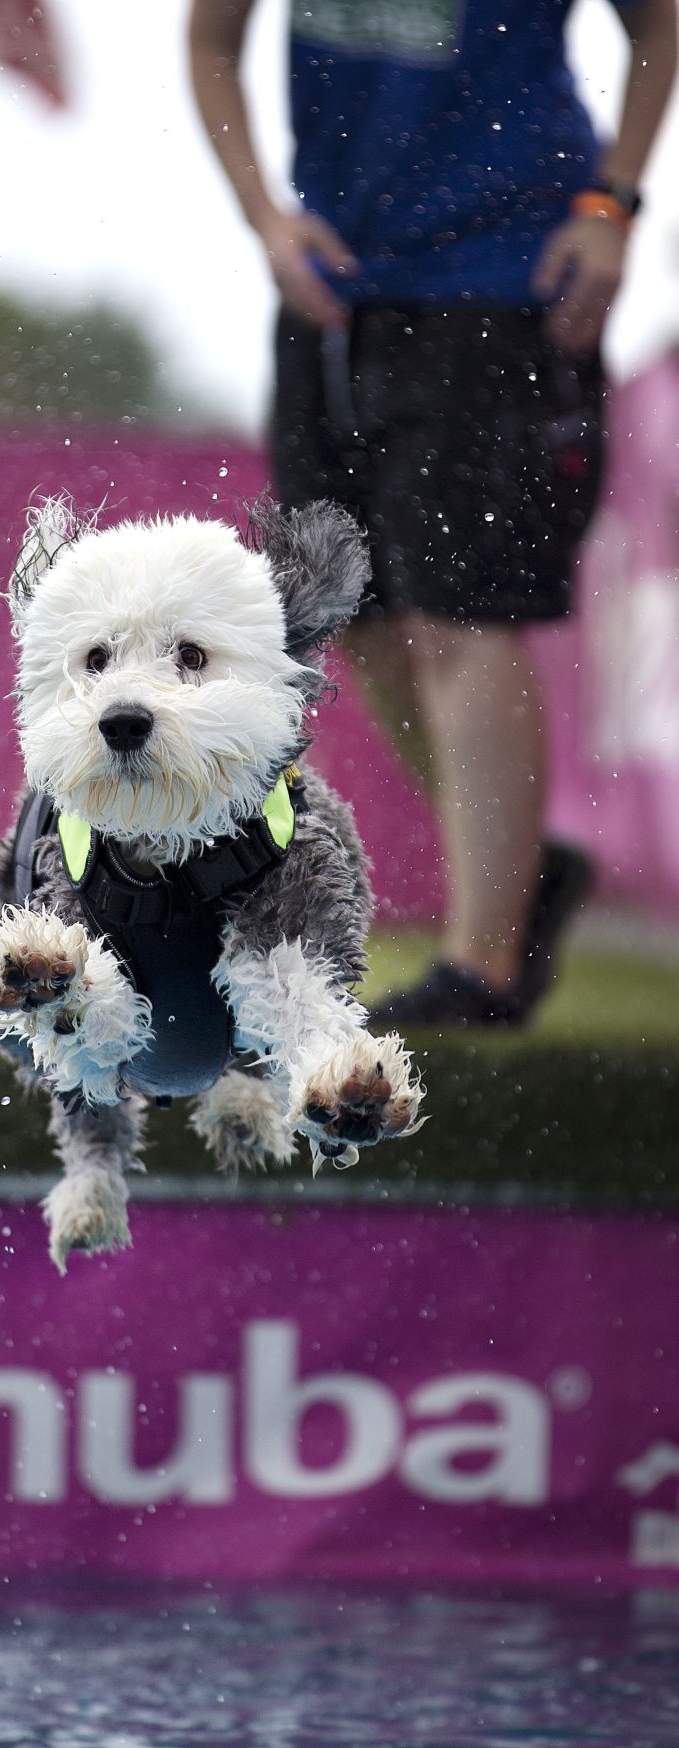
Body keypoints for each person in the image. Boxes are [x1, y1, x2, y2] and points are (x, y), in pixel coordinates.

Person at [188, 0, 677, 1026]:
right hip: (332, 299)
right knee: (355, 622)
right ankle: (528, 872)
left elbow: (660, 24)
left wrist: (614, 204)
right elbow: (209, 37)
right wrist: (263, 218)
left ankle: (483, 968)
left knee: (460, 618)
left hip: (503, 285)